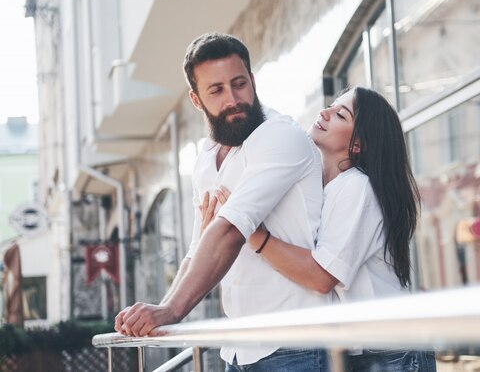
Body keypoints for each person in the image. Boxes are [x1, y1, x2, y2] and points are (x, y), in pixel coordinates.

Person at [114, 32, 330, 371]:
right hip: (240, 348)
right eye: (216, 90)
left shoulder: (279, 137)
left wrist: (172, 312)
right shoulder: (207, 159)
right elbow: (198, 248)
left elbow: (229, 232)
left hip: (295, 346)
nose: (233, 99)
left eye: (239, 83)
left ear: (253, 82)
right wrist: (160, 309)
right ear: (197, 100)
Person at [208, 86, 437, 372]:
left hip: (392, 351)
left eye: (340, 114)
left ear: (357, 145)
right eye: (330, 105)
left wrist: (251, 232)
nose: (324, 113)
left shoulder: (357, 187)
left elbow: (321, 277)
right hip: (358, 350)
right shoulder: (319, 187)